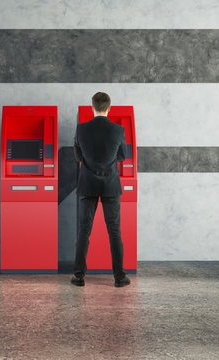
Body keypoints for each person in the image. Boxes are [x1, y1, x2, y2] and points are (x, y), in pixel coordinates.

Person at [71, 92, 131, 288]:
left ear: (92, 107)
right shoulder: (118, 130)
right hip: (110, 185)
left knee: (83, 232)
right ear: (109, 107)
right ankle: (119, 277)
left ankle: (79, 277)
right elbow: (122, 156)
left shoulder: (81, 129)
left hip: (87, 184)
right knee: (114, 231)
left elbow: (78, 156)